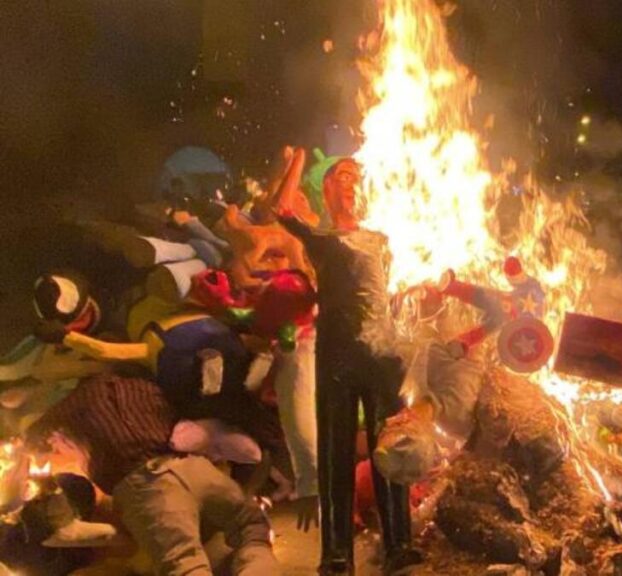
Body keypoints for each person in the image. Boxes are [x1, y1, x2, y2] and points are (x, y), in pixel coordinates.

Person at [274, 148, 421, 575]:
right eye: (341, 175)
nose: (351, 181)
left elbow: (395, 293)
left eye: (356, 175)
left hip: (383, 357)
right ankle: (336, 555)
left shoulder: (381, 241)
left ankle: (400, 547)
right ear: (325, 189)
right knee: (336, 455)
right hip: (337, 356)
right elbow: (281, 209)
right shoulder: (323, 240)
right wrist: (298, 160)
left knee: (392, 450)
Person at [25, 374, 279, 576]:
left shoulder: (70, 406)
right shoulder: (144, 386)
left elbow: (33, 437)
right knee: (251, 525)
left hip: (146, 488)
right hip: (191, 466)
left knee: (184, 563)